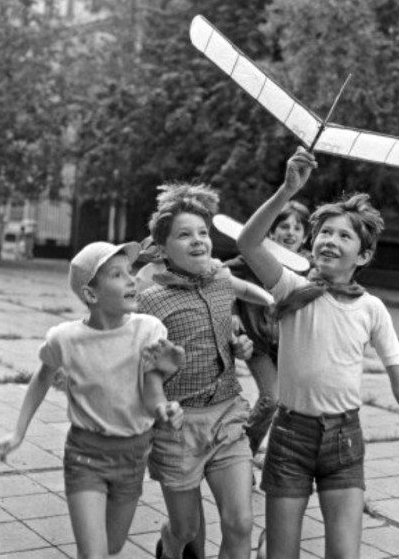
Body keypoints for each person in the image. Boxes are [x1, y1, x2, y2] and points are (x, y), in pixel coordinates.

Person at [237, 147, 399, 559]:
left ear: (364, 254)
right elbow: (248, 243)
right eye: (325, 232)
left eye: (344, 236)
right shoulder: (290, 288)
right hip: (290, 437)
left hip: (344, 442)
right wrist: (287, 191)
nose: (330, 240)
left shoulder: (371, 309)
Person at [0, 240, 184, 559]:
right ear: (91, 294)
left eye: (130, 271)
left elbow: (152, 392)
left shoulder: (149, 331)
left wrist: (165, 410)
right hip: (85, 456)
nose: (132, 279)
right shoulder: (65, 338)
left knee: (112, 546)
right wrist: (18, 432)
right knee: (94, 554)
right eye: (117, 275)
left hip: (133, 455)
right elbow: (41, 378)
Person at [138, 182, 263, 559]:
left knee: (240, 524)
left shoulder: (221, 279)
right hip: (179, 427)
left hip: (227, 415)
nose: (197, 240)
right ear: (161, 249)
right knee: (186, 530)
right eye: (184, 235)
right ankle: (169, 548)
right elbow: (140, 369)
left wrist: (242, 340)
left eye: (203, 232)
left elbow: (244, 295)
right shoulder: (148, 302)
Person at [225, 201, 312, 458]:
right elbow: (219, 277)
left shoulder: (309, 267)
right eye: (284, 226)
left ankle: (283, 457)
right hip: (257, 343)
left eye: (297, 228)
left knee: (291, 404)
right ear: (271, 231)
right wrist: (232, 312)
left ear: (306, 236)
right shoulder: (251, 260)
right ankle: (242, 455)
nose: (290, 232)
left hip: (288, 345)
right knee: (271, 399)